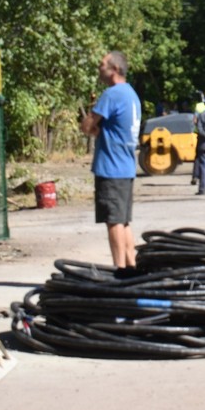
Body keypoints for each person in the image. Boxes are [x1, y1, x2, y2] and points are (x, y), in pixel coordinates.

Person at [79, 51, 142, 275]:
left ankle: (120, 271)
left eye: (102, 66)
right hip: (125, 166)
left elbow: (87, 126)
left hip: (111, 167)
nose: (99, 69)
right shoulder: (131, 94)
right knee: (123, 221)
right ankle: (130, 268)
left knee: (113, 221)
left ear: (114, 69)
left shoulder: (112, 94)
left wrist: (91, 120)